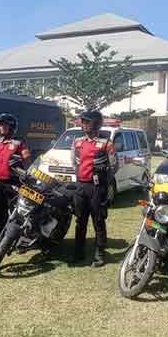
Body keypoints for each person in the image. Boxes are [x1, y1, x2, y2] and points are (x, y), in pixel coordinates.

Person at [70, 111, 116, 267]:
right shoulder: (77, 142)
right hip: (81, 187)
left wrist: (105, 184)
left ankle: (99, 254)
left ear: (96, 124)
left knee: (98, 221)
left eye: (86, 122)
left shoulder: (106, 143)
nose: (83, 124)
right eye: (82, 122)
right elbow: (74, 162)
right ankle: (78, 253)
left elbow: (113, 166)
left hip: (97, 188)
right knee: (80, 221)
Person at [0, 113, 31, 231]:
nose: (2, 127)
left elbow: (27, 159)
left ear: (12, 127)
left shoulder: (19, 142)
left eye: (5, 125)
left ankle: (14, 230)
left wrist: (27, 172)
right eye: (1, 125)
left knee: (14, 207)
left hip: (14, 181)